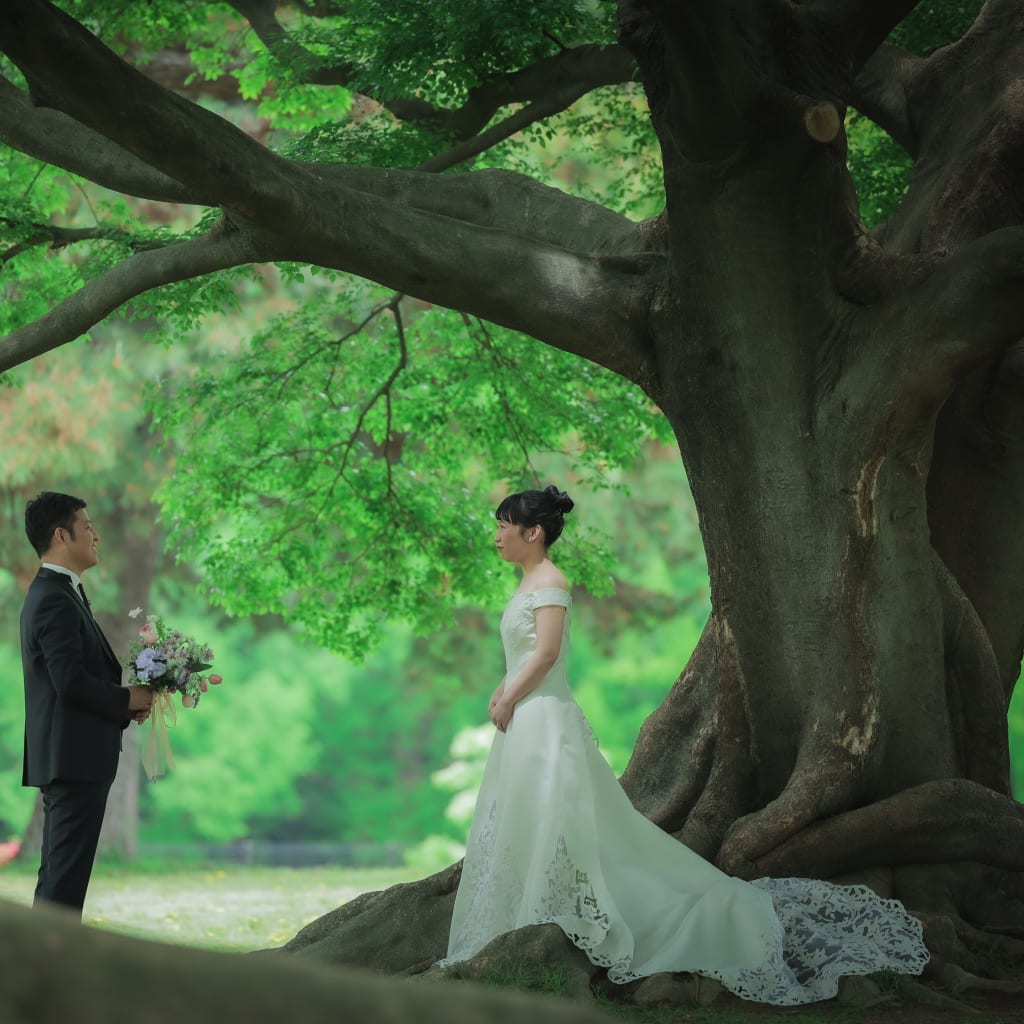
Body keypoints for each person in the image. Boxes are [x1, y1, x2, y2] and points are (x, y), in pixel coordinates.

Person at [438, 485, 930, 1005]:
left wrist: (508, 695)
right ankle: (523, 919)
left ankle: (599, 918)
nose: (496, 535)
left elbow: (546, 654)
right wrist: (502, 691)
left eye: (502, 525)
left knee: (561, 821)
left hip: (543, 720)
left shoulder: (551, 584)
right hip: (524, 718)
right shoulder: (526, 584)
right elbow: (521, 656)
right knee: (526, 819)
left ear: (531, 532)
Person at [20, 491, 153, 918]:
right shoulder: (54, 599)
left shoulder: (62, 593)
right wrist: (126, 698)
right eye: (88, 526)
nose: (96, 536)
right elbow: (70, 683)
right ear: (62, 535)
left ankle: (45, 972)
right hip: (72, 762)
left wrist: (124, 708)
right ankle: (47, 976)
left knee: (63, 877)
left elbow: (75, 678)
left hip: (74, 758)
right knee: (63, 883)